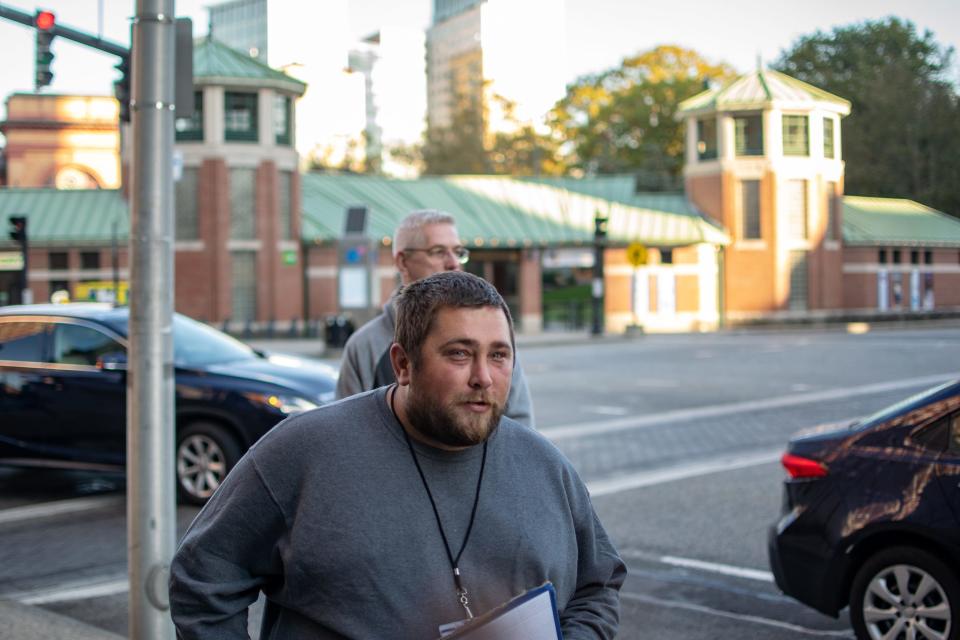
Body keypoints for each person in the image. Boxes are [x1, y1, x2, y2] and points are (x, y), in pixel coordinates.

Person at [169, 271, 626, 640]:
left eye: (499, 355)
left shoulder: (547, 467)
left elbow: (598, 584)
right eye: (459, 354)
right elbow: (202, 578)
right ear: (404, 364)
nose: (484, 377)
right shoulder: (302, 451)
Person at [335, 209, 535, 428]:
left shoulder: (492, 333)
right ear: (403, 261)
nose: (453, 263)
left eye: (458, 252)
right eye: (438, 252)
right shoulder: (365, 346)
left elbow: (520, 426)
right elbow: (348, 432)